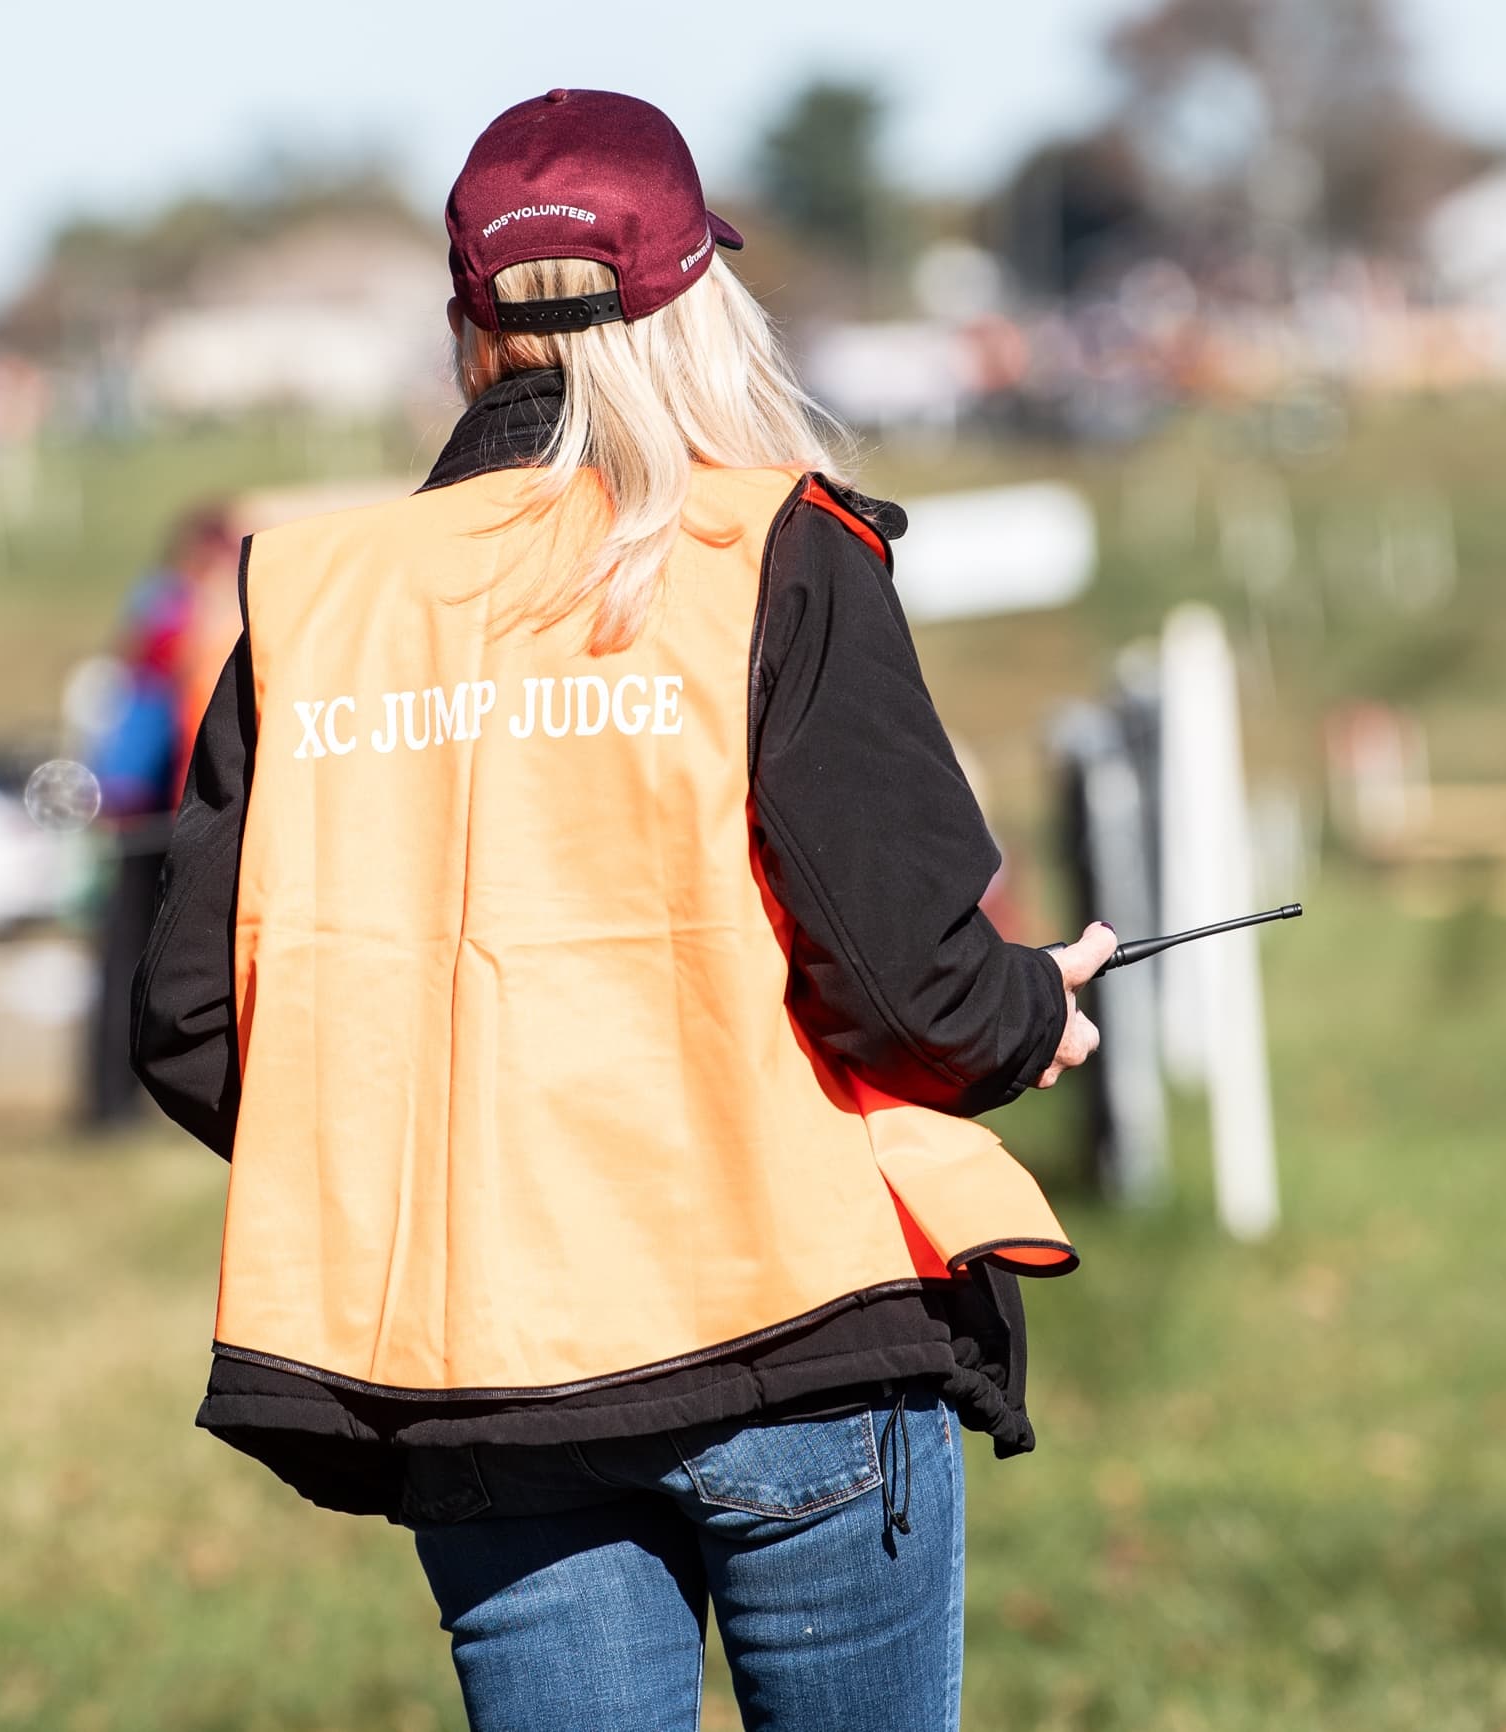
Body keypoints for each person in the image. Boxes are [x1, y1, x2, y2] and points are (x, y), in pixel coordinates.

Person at [130, 89, 1114, 1731]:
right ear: (695, 297)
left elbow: (193, 1020)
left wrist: (442, 1156)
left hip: (484, 1382)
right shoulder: (777, 549)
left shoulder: (315, 603)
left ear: (469, 320)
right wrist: (1030, 1009)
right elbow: (906, 986)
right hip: (796, 1329)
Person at [76, 503, 242, 1131]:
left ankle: (118, 1101)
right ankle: (110, 1102)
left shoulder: (169, 604)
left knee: (136, 951)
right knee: (131, 952)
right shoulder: (172, 606)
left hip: (147, 797)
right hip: (143, 804)